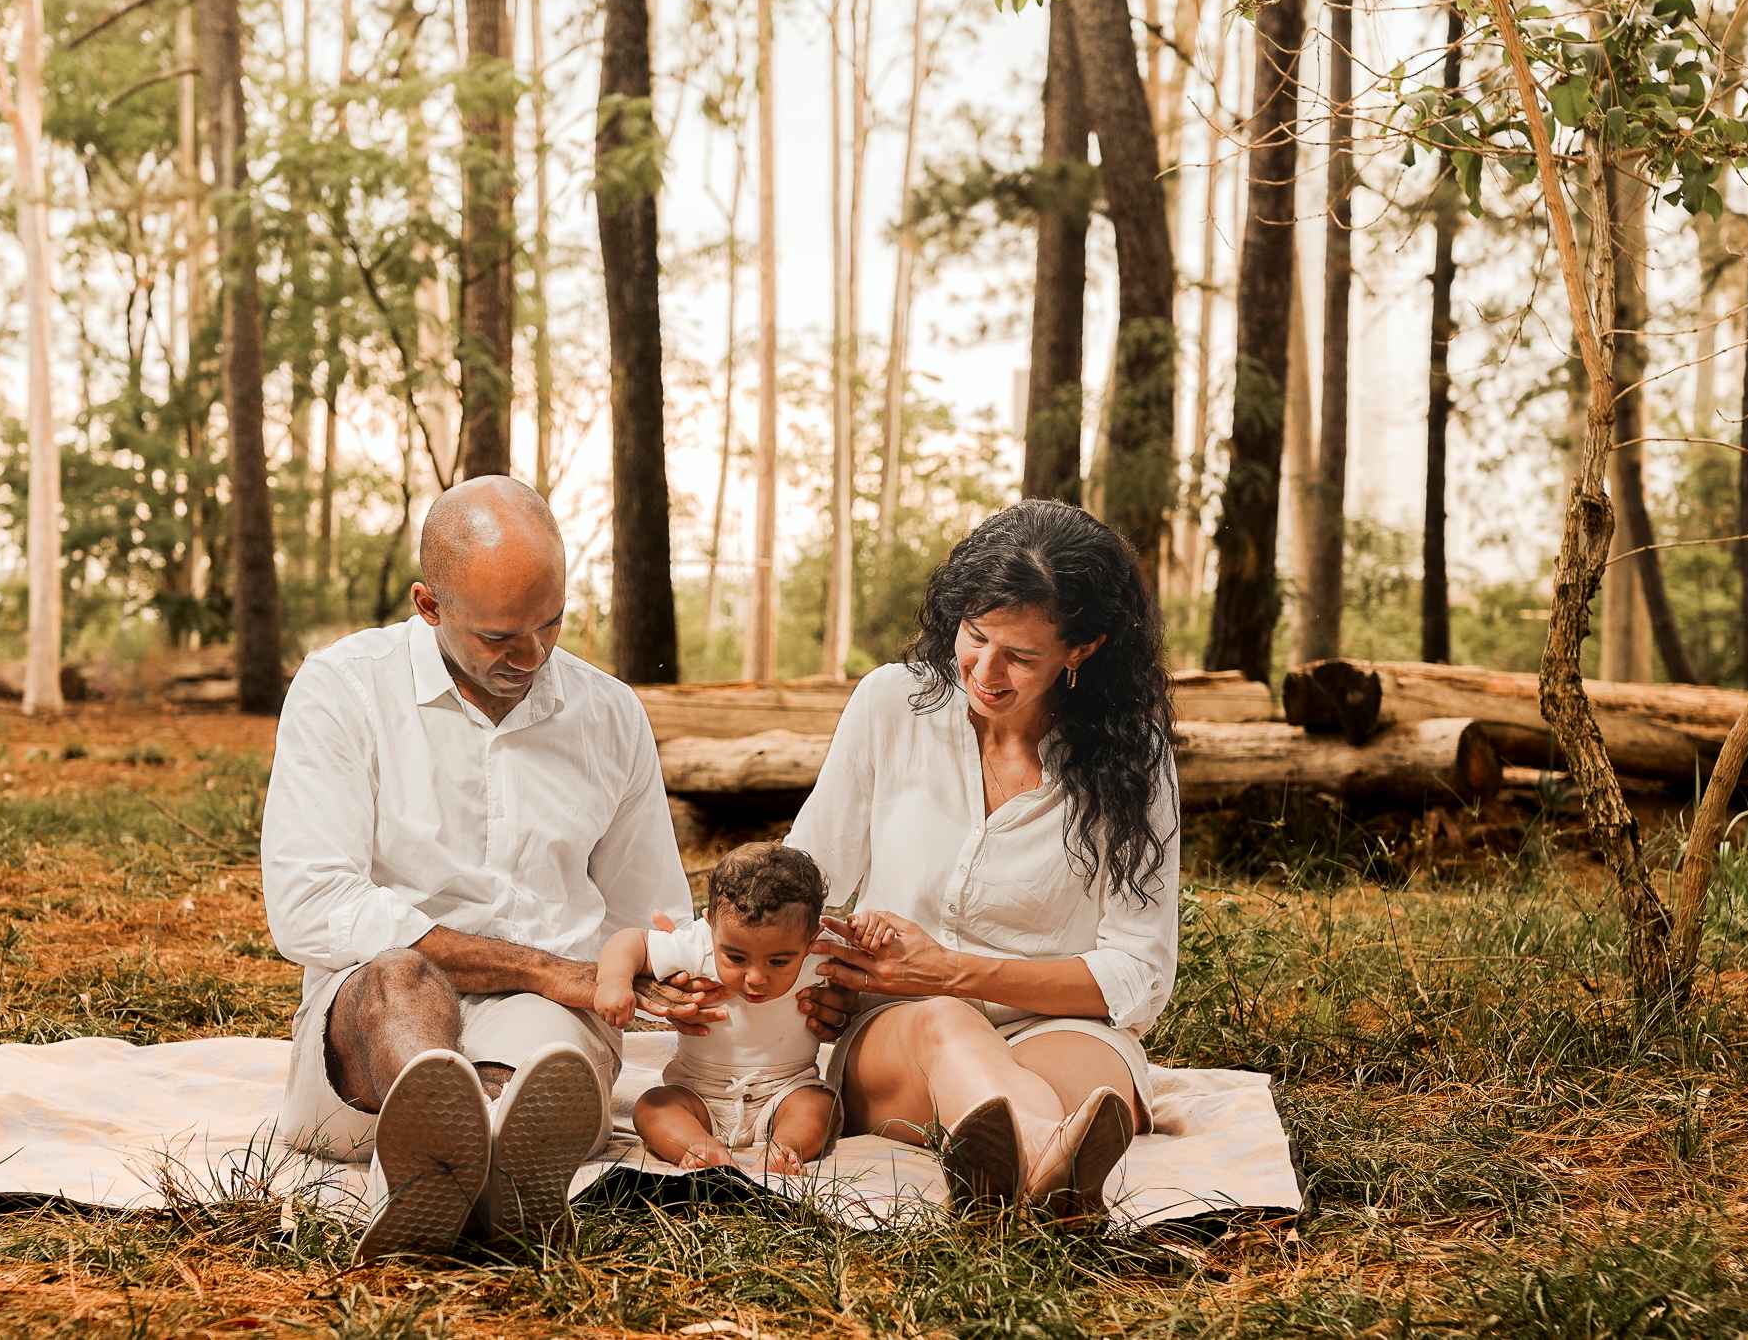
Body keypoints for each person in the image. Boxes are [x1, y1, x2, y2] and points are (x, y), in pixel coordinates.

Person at [262, 476, 723, 1261]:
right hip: (372, 1040)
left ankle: (459, 1171)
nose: (534, 655)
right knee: (397, 981)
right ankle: (450, 1156)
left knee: (548, 1054)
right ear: (428, 605)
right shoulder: (343, 689)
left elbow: (648, 915)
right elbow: (308, 905)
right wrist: (548, 969)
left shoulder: (609, 714)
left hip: (546, 1026)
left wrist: (678, 969)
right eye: (501, 636)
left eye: (552, 623)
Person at [786, 499, 1181, 1212]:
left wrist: (956, 967)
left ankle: (1014, 1168)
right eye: (974, 636)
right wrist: (800, 977)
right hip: (903, 1028)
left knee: (1099, 1083)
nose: (985, 670)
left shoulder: (1133, 758)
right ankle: (1050, 1170)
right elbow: (803, 882)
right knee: (949, 1022)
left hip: (1056, 1027)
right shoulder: (889, 704)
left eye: (1021, 656)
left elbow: (1140, 972)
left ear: (1082, 648)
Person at [594, 842, 847, 1174]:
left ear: (811, 938)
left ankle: (784, 1148)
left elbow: (861, 973)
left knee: (819, 1105)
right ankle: (700, 1146)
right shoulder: (699, 945)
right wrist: (614, 981)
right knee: (652, 1107)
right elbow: (632, 942)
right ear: (711, 923)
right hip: (697, 1092)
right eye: (736, 958)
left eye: (779, 961)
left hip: (785, 1089)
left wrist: (847, 999)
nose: (755, 978)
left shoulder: (823, 955)